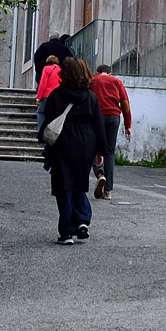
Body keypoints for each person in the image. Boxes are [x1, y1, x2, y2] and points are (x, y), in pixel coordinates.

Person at [38, 56, 109, 243]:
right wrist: (100, 151)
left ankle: (66, 232)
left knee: (63, 186)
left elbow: (48, 120)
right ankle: (82, 220)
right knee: (79, 182)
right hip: (86, 143)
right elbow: (99, 125)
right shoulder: (91, 97)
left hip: (62, 142)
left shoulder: (56, 95)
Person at [89, 64, 133, 198]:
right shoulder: (116, 82)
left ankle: (100, 174)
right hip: (114, 117)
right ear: (110, 73)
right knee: (109, 152)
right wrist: (128, 125)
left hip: (98, 117)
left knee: (94, 148)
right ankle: (108, 191)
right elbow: (125, 103)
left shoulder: (93, 81)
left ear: (97, 72)